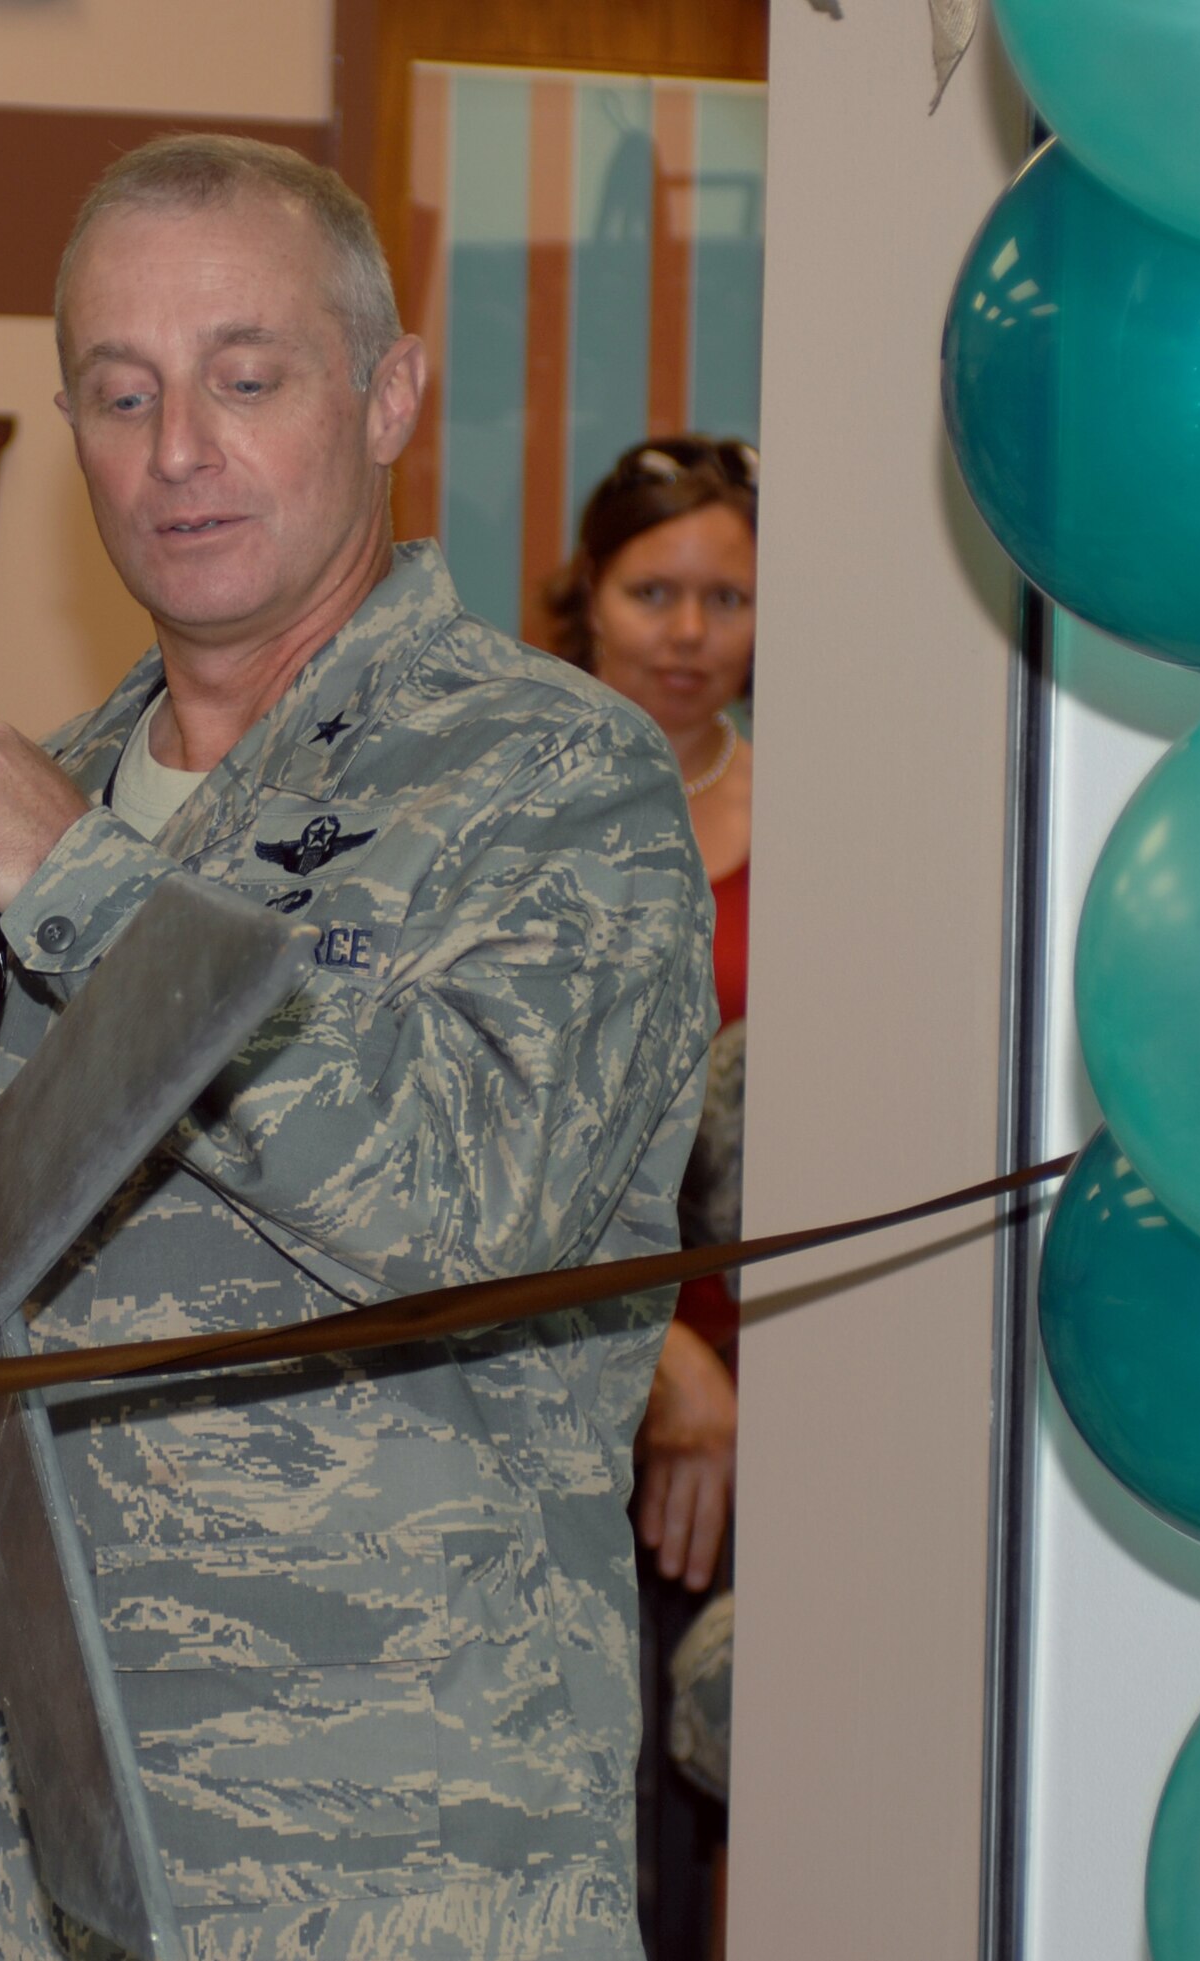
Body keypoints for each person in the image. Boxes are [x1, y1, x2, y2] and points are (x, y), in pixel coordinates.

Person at [0, 135, 713, 1961]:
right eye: (121, 390)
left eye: (247, 377)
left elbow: (477, 1205)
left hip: (384, 1856)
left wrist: (86, 881)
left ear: (385, 394)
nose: (178, 450)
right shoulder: (19, 794)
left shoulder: (552, 775)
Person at [545, 434, 759, 1955]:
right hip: (557, 1390)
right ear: (587, 602)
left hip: (776, 1407)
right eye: (655, 590)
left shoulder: (829, 832)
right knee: (589, 1812)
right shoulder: (515, 819)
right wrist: (655, 1357)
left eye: (729, 596)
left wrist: (732, 1386)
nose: (689, 634)